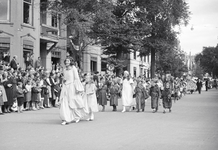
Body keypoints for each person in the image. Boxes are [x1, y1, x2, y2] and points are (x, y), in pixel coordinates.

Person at [59, 58, 88, 125]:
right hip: (66, 87)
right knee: (65, 102)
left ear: (71, 62)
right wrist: (63, 81)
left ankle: (77, 116)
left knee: (73, 102)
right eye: (66, 61)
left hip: (72, 87)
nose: (66, 62)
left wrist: (77, 88)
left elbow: (76, 78)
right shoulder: (64, 70)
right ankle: (66, 118)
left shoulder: (73, 68)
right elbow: (65, 78)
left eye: (68, 61)